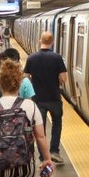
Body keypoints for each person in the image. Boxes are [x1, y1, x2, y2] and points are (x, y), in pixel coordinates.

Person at [23, 31, 68, 165]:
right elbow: (63, 79)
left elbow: (26, 77)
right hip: (54, 98)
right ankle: (54, 151)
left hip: (38, 99)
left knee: (39, 128)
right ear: (52, 42)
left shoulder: (31, 58)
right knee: (57, 124)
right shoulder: (57, 58)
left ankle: (43, 155)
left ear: (39, 41)